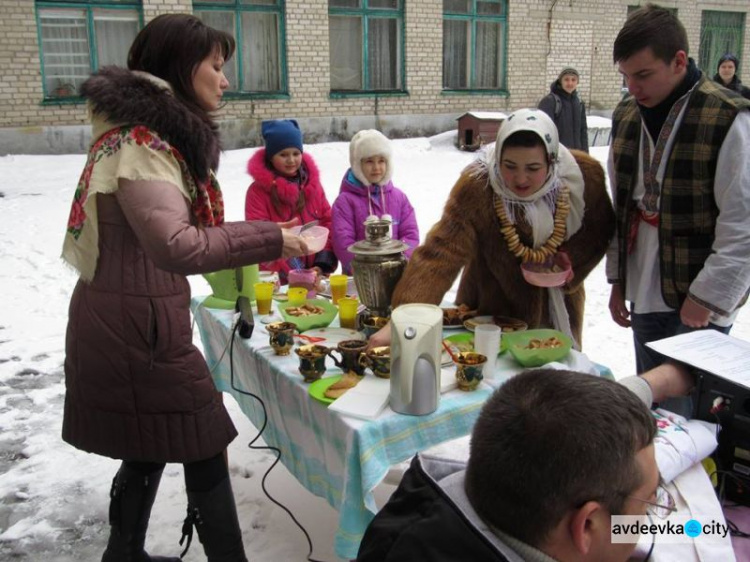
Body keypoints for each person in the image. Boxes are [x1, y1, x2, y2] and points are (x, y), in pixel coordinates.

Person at [60, 14, 308, 561]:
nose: (224, 80)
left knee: (149, 445)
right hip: (136, 331)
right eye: (216, 67)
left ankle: (121, 555)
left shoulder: (145, 136)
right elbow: (177, 244)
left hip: (135, 317)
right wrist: (274, 238)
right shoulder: (141, 144)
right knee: (200, 436)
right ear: (179, 65)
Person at [357, 363, 695, 561]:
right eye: (648, 504)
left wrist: (654, 383)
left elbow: (570, 421)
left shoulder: (427, 515)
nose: (649, 517)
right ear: (587, 526)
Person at [371, 108, 614, 349]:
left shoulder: (582, 179)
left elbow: (598, 231)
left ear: (551, 161)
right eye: (509, 166)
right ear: (497, 158)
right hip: (492, 312)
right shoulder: (479, 185)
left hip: (560, 307)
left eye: (533, 168)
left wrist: (570, 263)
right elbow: (440, 253)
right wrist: (404, 321)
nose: (520, 179)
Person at [606, 5, 750, 403]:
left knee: (691, 410)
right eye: (626, 76)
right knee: (649, 403)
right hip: (645, 284)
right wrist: (619, 280)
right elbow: (622, 208)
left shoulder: (727, 117)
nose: (632, 87)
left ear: (679, 61)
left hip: (699, 292)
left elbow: (743, 225)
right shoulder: (626, 115)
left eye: (643, 74)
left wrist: (707, 297)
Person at [245, 119, 337, 285]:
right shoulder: (257, 192)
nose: (291, 160)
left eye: (296, 153)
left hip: (315, 276)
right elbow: (259, 234)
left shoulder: (313, 186)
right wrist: (293, 273)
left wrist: (321, 265)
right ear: (271, 157)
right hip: (276, 280)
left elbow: (327, 222)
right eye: (283, 154)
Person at [331, 129, 420, 274]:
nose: (376, 167)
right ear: (357, 165)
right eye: (369, 161)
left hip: (395, 275)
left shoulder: (399, 198)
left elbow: (411, 235)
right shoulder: (345, 202)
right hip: (361, 279)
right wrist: (366, 269)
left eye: (381, 161)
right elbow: (343, 243)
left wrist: (399, 263)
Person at [538, 67, 589, 152]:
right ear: (560, 81)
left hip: (576, 155)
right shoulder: (550, 101)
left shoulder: (579, 103)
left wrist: (585, 155)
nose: (570, 83)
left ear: (577, 82)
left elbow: (583, 131)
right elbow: (543, 131)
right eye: (566, 79)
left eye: (573, 80)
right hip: (557, 156)